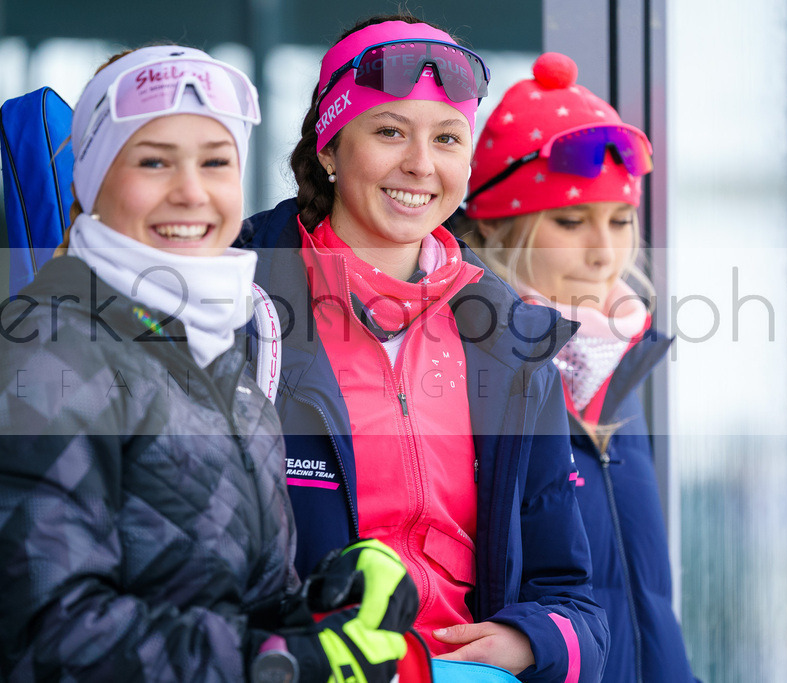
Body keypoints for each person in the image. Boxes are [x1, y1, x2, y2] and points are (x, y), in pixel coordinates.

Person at [0, 45, 417, 682]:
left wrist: (325, 603)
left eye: (215, 162)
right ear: (92, 180)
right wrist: (278, 662)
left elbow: (229, 601)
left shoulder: (215, 354)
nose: (191, 191)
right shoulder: (38, 361)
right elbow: (51, 639)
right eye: (154, 161)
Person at [241, 16, 608, 683]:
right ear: (330, 148)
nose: (420, 164)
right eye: (389, 132)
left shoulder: (511, 340)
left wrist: (526, 641)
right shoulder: (236, 307)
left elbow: (572, 595)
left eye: (447, 138)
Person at [456, 52, 699, 682]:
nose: (604, 252)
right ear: (499, 230)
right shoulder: (472, 372)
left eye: (621, 220)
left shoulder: (620, 368)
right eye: (570, 221)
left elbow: (645, 604)